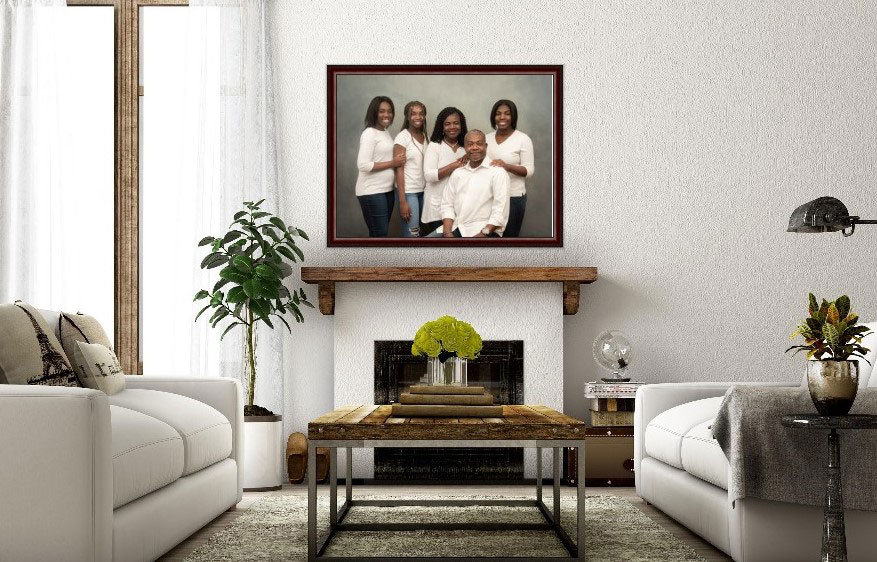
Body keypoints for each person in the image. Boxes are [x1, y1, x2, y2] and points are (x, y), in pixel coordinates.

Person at [439, 129, 510, 238]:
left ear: (486, 146)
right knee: (422, 248)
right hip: (456, 228)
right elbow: (447, 204)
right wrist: (448, 234)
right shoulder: (458, 173)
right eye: (470, 144)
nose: (475, 147)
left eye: (479, 144)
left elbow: (499, 212)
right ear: (465, 147)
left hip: (484, 231)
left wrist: (482, 235)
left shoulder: (498, 173)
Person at [355, 96, 406, 237]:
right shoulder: (369, 133)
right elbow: (363, 165)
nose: (386, 115)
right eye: (381, 111)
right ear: (374, 113)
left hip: (386, 191)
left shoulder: (385, 132)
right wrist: (393, 163)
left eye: (389, 111)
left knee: (378, 234)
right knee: (380, 234)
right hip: (371, 191)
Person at [485, 99, 534, 237]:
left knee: (508, 238)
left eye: (507, 113)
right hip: (489, 196)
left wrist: (506, 166)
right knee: (488, 236)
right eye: (498, 113)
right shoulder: (486, 138)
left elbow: (529, 171)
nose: (502, 117)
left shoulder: (523, 139)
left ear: (513, 116)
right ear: (493, 116)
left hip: (514, 198)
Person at [420, 107, 468, 236]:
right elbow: (429, 176)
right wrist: (455, 165)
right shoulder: (435, 146)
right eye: (447, 124)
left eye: (456, 123)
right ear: (441, 126)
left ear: (461, 125)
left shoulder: (466, 148)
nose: (452, 127)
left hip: (458, 208)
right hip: (436, 208)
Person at [393, 101, 428, 237]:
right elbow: (399, 169)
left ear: (424, 116)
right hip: (409, 193)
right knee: (412, 236)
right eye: (413, 114)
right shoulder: (402, 137)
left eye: (421, 114)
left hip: (423, 192)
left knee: (420, 233)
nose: (417, 117)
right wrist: (403, 201)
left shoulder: (425, 136)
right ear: (407, 117)